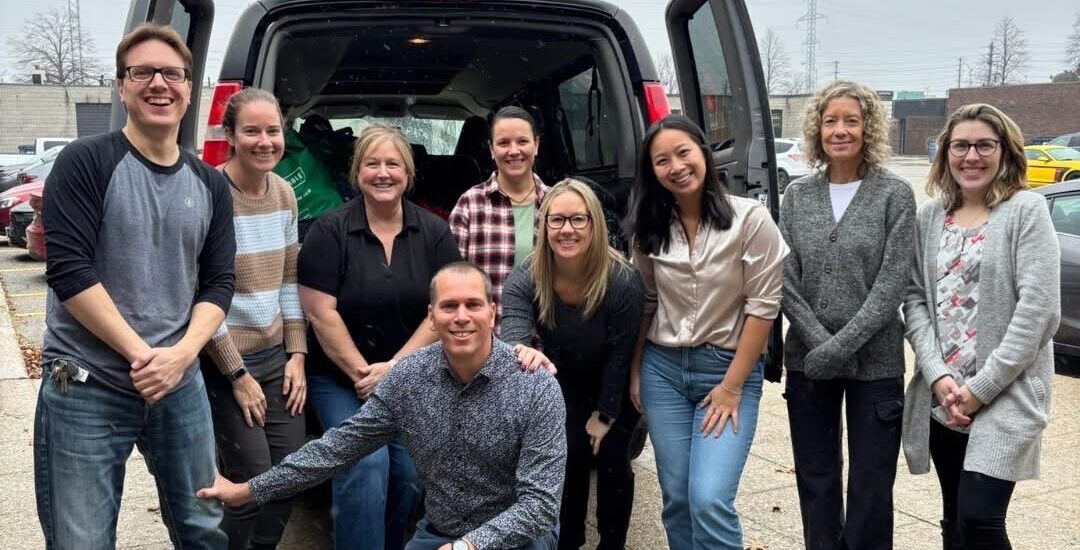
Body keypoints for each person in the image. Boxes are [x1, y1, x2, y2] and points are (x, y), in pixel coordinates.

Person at [198, 262, 566, 550]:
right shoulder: (408, 379)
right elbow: (336, 449)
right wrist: (247, 490)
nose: (461, 316)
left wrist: (470, 546)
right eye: (449, 306)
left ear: (491, 311)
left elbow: (541, 507)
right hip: (442, 533)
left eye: (473, 305)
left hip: (519, 538)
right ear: (432, 317)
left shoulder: (534, 385)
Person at [36, 23, 234, 549]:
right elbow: (70, 272)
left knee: (203, 529)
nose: (158, 84)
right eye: (142, 72)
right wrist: (146, 357)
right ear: (121, 86)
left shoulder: (210, 182)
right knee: (82, 541)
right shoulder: (85, 162)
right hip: (88, 383)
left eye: (172, 73)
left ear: (190, 88)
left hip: (180, 380)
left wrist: (181, 355)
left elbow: (218, 282)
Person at [624, 115, 787, 550]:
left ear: (703, 153)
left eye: (683, 153)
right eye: (662, 161)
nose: (675, 166)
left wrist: (733, 387)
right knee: (677, 499)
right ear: (652, 172)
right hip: (663, 373)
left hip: (726, 370)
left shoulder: (750, 219)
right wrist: (637, 369)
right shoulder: (649, 229)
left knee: (709, 499)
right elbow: (647, 302)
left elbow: (764, 308)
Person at [902, 103, 1060, 549]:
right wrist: (938, 376)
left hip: (1005, 394)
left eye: (984, 145)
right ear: (945, 154)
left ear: (1005, 151)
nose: (971, 156)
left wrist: (981, 389)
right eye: (961, 146)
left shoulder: (1025, 210)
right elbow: (914, 299)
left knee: (980, 518)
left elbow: (1040, 309)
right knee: (953, 518)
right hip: (944, 395)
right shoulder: (930, 216)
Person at [298, 124, 462, 549]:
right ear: (357, 172)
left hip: (411, 377)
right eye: (372, 163)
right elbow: (320, 312)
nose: (383, 173)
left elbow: (442, 309)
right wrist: (364, 373)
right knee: (365, 462)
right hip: (338, 378)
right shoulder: (328, 231)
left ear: (408, 173)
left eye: (393, 163)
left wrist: (395, 369)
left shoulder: (434, 233)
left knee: (409, 473)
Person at [778, 80, 916, 550]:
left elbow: (892, 284)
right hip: (807, 362)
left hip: (874, 364)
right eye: (830, 120)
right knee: (816, 479)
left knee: (871, 486)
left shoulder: (894, 195)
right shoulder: (797, 196)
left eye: (851, 121)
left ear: (868, 128)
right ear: (817, 128)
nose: (840, 130)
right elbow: (784, 280)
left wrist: (838, 347)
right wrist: (818, 342)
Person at [500, 179, 645, 550]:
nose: (567, 229)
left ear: (594, 224)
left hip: (611, 383)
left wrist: (606, 415)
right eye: (557, 220)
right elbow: (513, 330)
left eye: (578, 220)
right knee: (568, 453)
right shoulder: (527, 276)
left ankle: (611, 543)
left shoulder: (622, 279)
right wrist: (521, 349)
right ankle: (568, 539)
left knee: (613, 457)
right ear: (544, 224)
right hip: (561, 382)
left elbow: (620, 354)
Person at [200, 87, 307, 550]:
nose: (265, 142)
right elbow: (201, 295)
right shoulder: (209, 194)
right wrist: (235, 372)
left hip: (276, 359)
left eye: (273, 130)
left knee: (292, 478)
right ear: (229, 136)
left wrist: (297, 353)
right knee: (252, 483)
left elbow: (289, 278)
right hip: (226, 362)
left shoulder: (284, 193)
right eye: (251, 131)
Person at [449, 106, 550, 321]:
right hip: (485, 339)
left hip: (544, 342)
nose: (513, 151)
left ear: (537, 145)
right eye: (503, 143)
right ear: (492, 150)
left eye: (522, 141)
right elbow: (452, 282)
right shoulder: (470, 203)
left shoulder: (556, 204)